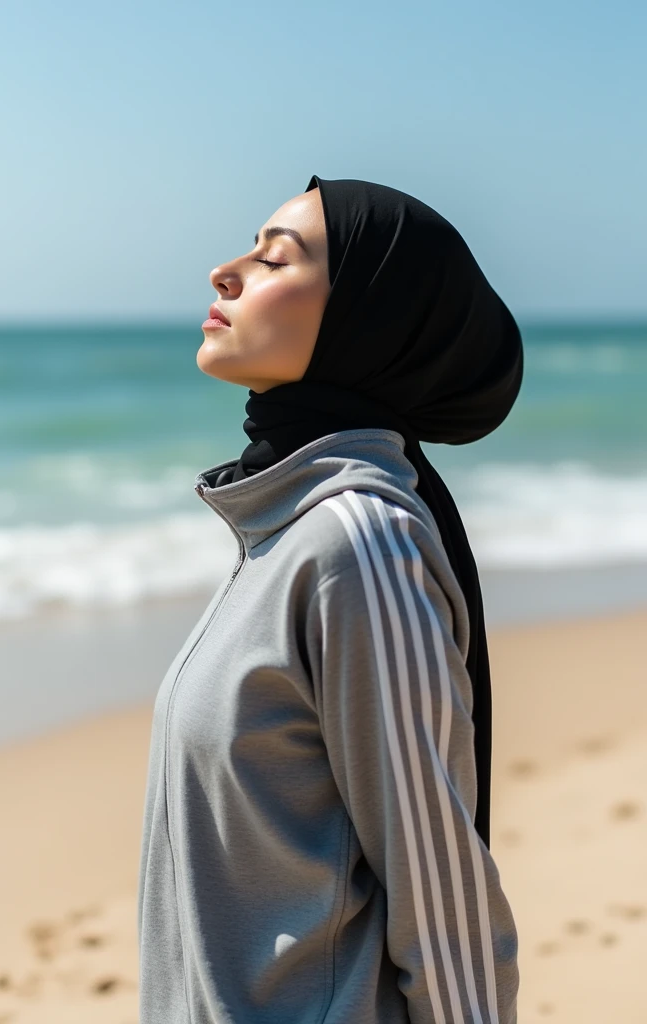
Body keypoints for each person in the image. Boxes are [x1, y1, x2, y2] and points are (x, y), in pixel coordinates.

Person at [137, 175, 523, 1024]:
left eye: (275, 259)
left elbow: (442, 894)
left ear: (366, 321)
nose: (223, 273)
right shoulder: (277, 528)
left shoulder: (356, 542)